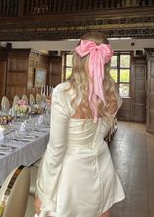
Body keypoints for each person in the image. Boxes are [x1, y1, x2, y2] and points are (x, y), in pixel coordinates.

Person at [34, 31, 125, 217]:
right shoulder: (113, 94)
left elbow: (56, 149)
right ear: (105, 61)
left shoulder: (64, 93)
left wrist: (44, 192)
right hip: (102, 164)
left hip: (71, 175)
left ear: (77, 58)